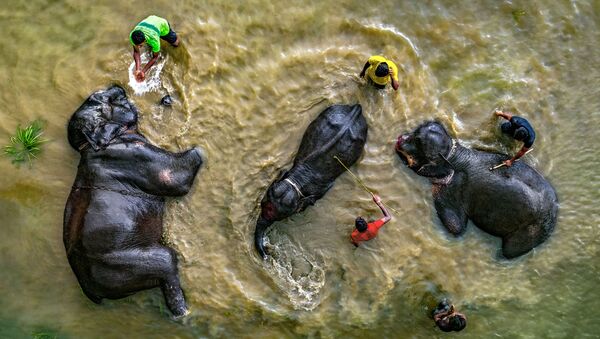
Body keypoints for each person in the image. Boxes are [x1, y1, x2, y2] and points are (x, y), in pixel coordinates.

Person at [129, 15, 180, 82]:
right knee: (152, 47)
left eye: (140, 45)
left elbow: (155, 57)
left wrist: (143, 71)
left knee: (175, 43)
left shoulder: (154, 40)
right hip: (151, 20)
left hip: (162, 25)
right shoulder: (133, 35)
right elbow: (136, 52)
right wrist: (138, 69)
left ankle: (175, 35)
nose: (138, 47)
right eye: (137, 45)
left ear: (145, 40)